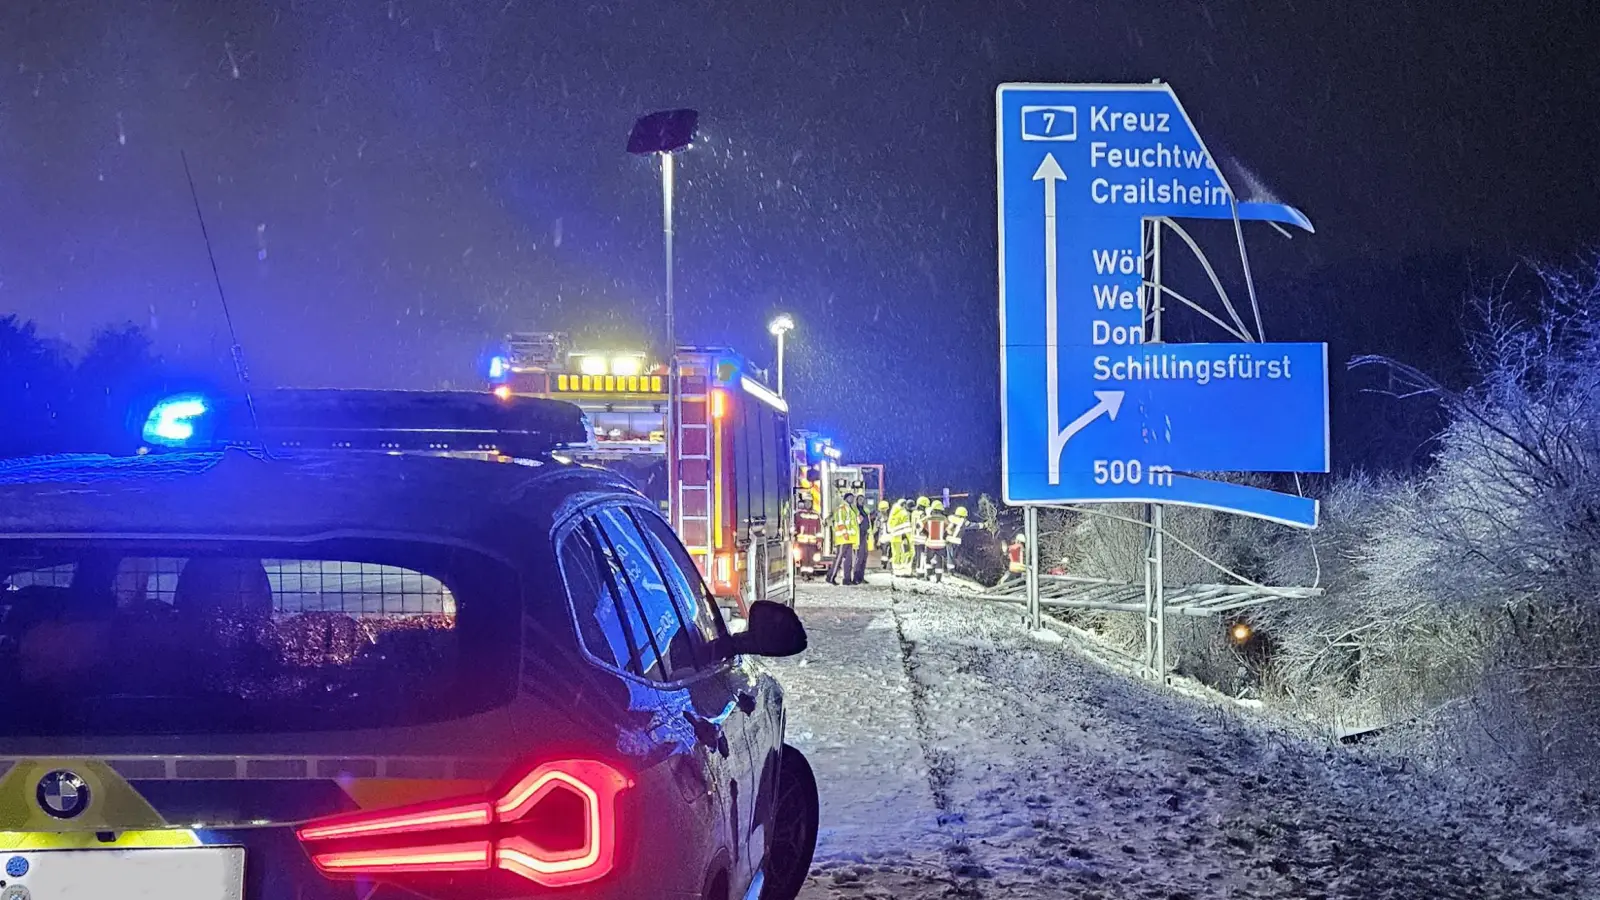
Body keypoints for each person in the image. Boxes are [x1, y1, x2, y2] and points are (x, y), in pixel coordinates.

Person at [826, 492, 860, 585]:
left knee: (848, 560)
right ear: (846, 498)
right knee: (839, 558)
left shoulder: (851, 509)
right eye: (850, 497)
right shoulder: (842, 508)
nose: (852, 499)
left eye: (853, 498)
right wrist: (845, 534)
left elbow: (854, 523)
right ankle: (831, 577)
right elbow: (840, 522)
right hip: (843, 538)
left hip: (850, 539)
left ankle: (847, 579)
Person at [923, 500, 949, 582]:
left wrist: (927, 534)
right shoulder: (944, 519)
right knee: (939, 560)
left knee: (928, 559)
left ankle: (928, 575)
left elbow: (919, 526)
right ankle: (938, 578)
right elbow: (948, 530)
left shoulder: (928, 518)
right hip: (941, 544)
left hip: (930, 543)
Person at [886, 499, 913, 577]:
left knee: (896, 555)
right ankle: (905, 572)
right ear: (904, 505)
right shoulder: (904, 513)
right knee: (906, 554)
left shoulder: (893, 513)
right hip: (903, 537)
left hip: (894, 537)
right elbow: (907, 527)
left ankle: (897, 571)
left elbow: (889, 527)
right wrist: (909, 538)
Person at [851, 494, 872, 584]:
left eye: (863, 500)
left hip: (864, 535)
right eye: (860, 500)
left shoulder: (864, 510)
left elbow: (867, 523)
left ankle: (861, 577)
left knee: (864, 557)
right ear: (856, 501)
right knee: (859, 557)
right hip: (858, 536)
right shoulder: (855, 511)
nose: (862, 501)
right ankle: (856, 577)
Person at [945, 505, 968, 576]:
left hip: (949, 540)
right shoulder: (963, 522)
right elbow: (973, 525)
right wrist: (984, 525)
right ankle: (951, 571)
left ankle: (950, 570)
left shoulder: (950, 518)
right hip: (957, 541)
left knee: (949, 555)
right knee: (953, 556)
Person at [911, 496, 931, 576]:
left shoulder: (914, 513)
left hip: (914, 536)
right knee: (922, 555)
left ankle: (918, 569)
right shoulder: (922, 514)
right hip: (921, 537)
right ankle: (920, 571)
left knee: (917, 554)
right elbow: (923, 523)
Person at [876, 499, 892, 570]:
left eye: (884, 509)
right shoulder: (879, 517)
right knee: (884, 552)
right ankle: (884, 564)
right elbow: (878, 528)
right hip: (883, 537)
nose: (883, 511)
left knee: (891, 551)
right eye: (882, 509)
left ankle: (890, 564)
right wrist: (878, 540)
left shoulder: (891, 516)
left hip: (890, 536)